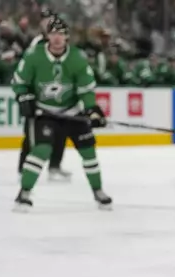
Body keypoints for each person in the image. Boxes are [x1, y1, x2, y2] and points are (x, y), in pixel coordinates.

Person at [12, 16, 112, 211]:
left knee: (89, 152)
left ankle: (98, 192)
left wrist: (92, 110)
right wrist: (24, 98)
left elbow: (86, 89)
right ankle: (23, 194)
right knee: (41, 150)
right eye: (53, 33)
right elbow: (19, 83)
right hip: (45, 112)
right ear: (47, 35)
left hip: (72, 112)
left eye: (61, 34)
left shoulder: (77, 58)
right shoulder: (34, 56)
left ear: (67, 37)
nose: (57, 38)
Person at [17, 7, 71, 181]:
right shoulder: (37, 44)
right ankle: (23, 167)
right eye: (44, 20)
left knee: (61, 130)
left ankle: (54, 167)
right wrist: (27, 94)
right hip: (38, 95)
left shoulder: (62, 43)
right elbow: (26, 70)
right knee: (32, 132)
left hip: (58, 94)